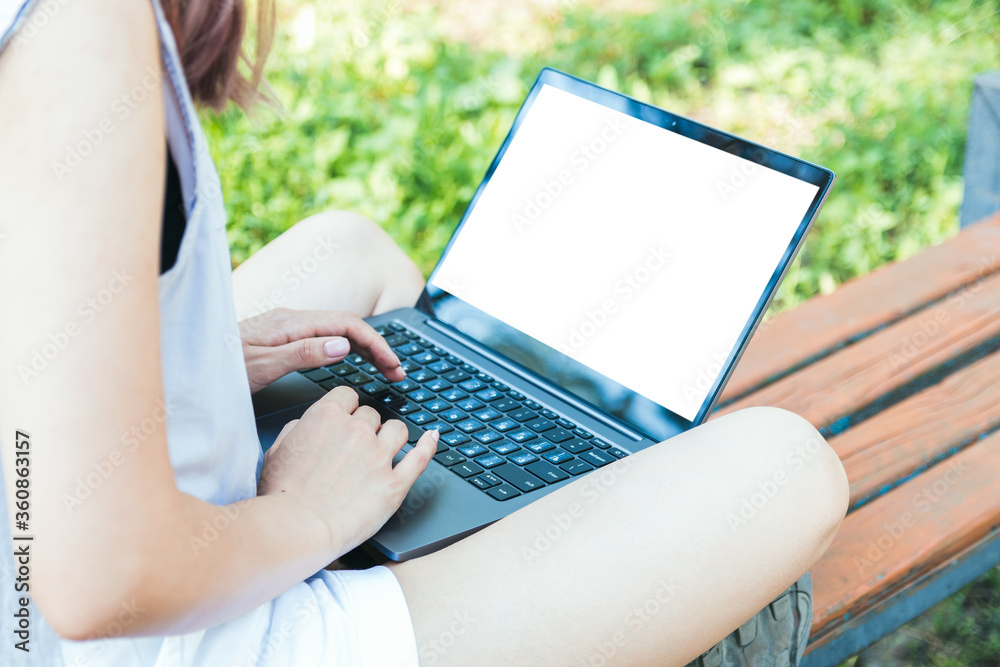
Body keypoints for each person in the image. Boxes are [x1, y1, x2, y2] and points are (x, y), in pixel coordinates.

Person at [0, 1, 849, 665]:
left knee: (350, 246)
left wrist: (182, 363)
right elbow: (98, 577)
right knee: (784, 466)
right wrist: (305, 516)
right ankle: (461, 524)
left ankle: (480, 473)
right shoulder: (80, 30)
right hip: (154, 636)